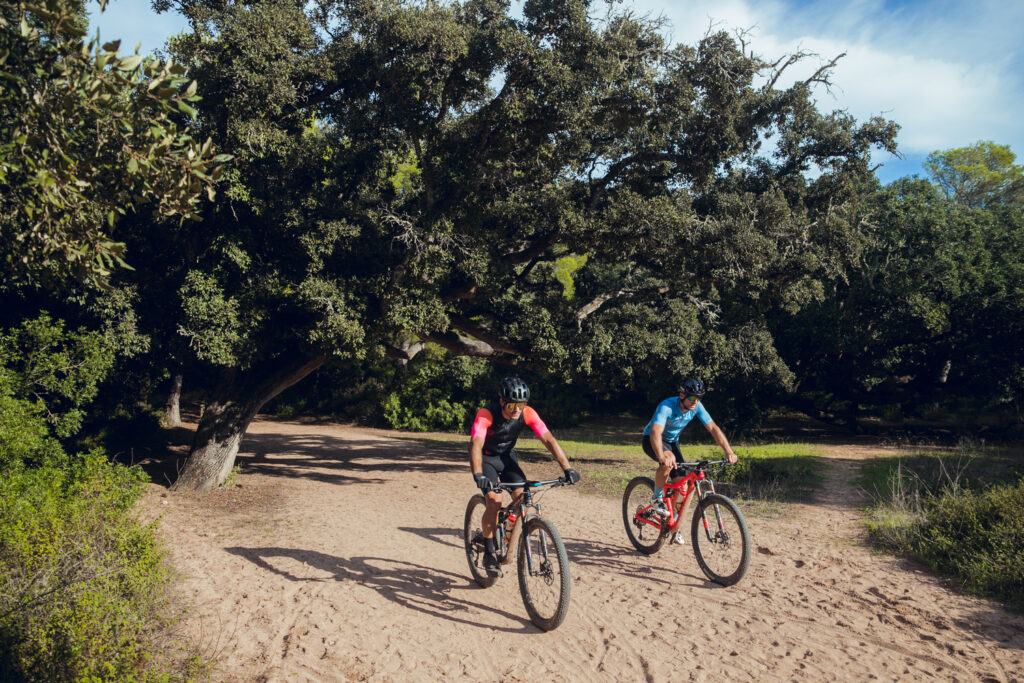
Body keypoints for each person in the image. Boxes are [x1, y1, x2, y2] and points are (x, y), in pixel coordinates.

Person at [469, 377, 580, 576]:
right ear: (502, 401)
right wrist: (478, 473)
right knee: (494, 501)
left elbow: (548, 440)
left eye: (521, 404)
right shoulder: (487, 414)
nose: (517, 409)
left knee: (523, 500)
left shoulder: (527, 413)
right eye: (512, 404)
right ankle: (489, 552)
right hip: (487, 460)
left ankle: (506, 533)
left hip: (507, 458)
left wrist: (567, 468)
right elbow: (476, 444)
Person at [642, 378, 737, 544]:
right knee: (668, 461)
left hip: (672, 442)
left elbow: (713, 428)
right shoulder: (666, 406)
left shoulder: (696, 407)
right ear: (681, 395)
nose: (695, 402)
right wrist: (662, 455)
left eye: (698, 398)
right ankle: (657, 499)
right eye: (692, 398)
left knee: (683, 485)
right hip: (652, 439)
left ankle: (673, 524)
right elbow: (656, 432)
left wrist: (728, 451)